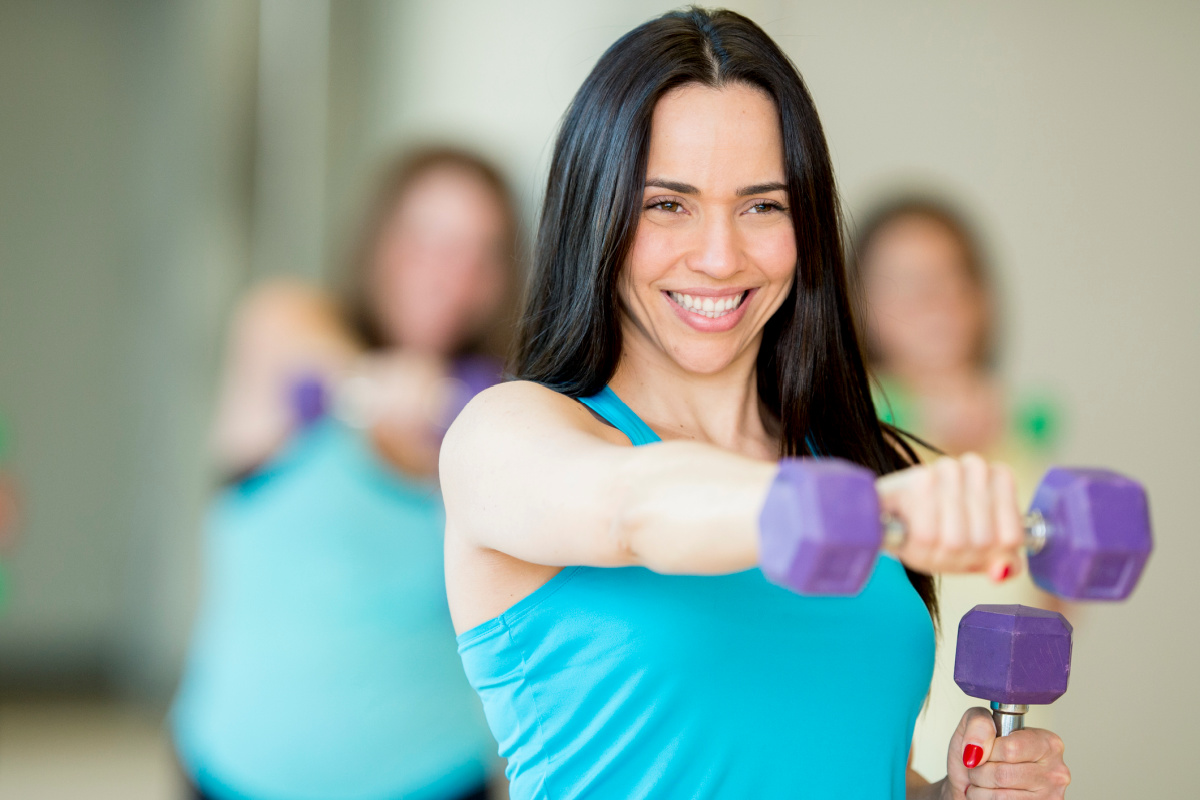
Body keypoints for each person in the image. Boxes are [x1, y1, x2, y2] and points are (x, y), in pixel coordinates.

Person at [440, 9, 1070, 800]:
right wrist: (878, 510)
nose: (718, 256)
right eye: (667, 204)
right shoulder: (506, 438)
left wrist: (951, 795)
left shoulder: (866, 461)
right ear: (595, 212)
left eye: (761, 205)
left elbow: (826, 761)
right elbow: (638, 507)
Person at [172, 147, 518, 800]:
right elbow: (274, 326)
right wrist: (376, 386)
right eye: (429, 239)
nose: (454, 272)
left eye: (482, 251)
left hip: (438, 779)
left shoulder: (501, 414)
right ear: (380, 242)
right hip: (232, 776)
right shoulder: (291, 335)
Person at [850, 197, 1066, 779]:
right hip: (902, 716)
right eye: (905, 283)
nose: (934, 300)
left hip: (1009, 715)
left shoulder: (1024, 434)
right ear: (858, 309)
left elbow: (1059, 599)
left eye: (951, 276)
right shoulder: (857, 429)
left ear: (982, 296)